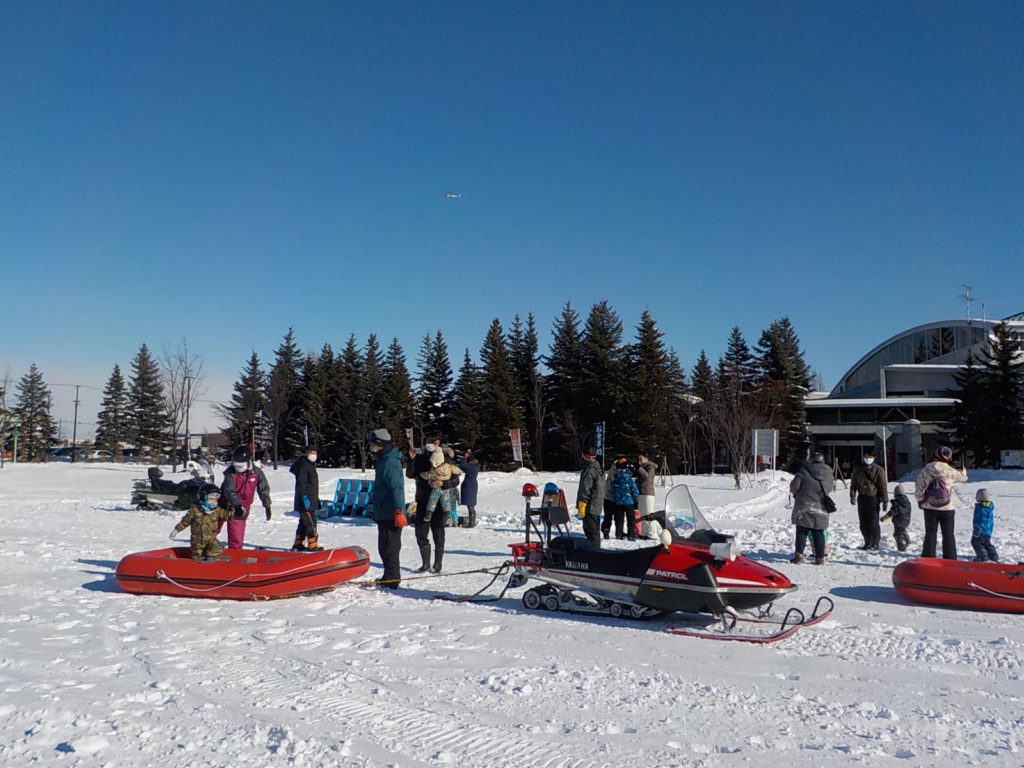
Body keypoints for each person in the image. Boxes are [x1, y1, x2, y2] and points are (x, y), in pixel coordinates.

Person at [406, 433, 460, 574]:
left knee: (438, 532)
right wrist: (411, 460)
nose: (427, 445)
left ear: (437, 443)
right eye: (425, 442)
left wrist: (443, 483)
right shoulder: (421, 457)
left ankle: (438, 564)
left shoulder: (446, 458)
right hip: (423, 500)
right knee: (421, 532)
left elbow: (456, 480)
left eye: (430, 442)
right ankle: (425, 564)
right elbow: (410, 474)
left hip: (440, 502)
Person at [367, 429, 407, 588]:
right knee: (384, 547)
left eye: (373, 444)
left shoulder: (390, 462)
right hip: (383, 511)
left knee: (390, 548)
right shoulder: (384, 460)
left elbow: (397, 488)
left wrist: (399, 511)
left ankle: (392, 580)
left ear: (380, 444)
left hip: (391, 513)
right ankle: (387, 576)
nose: (371, 447)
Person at [914, 445, 968, 560]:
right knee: (948, 535)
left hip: (930, 507)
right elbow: (963, 478)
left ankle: (928, 558)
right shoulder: (949, 469)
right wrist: (960, 467)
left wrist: (920, 499)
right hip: (947, 507)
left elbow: (920, 485)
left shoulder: (928, 468)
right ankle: (950, 558)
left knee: (930, 534)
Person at [219, 445, 272, 549]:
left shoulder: (256, 473)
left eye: (241, 465)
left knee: (236, 539)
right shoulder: (230, 473)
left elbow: (263, 488)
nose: (238, 468)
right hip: (223, 506)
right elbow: (229, 491)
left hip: (241, 511)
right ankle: (204, 550)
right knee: (211, 531)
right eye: (236, 465)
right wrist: (237, 505)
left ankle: (235, 559)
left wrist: (267, 505)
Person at [170, 485, 240, 561]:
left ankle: (212, 561)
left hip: (211, 539)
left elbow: (226, 515)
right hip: (197, 540)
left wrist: (235, 510)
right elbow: (185, 522)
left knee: (217, 549)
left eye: (215, 500)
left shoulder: (217, 510)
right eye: (211, 499)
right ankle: (198, 564)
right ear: (203, 498)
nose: (213, 502)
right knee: (196, 556)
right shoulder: (195, 510)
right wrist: (176, 530)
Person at [789, 452, 835, 564]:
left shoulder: (804, 471)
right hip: (821, 506)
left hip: (804, 506)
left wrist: (798, 494)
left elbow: (794, 486)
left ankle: (799, 556)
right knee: (819, 532)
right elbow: (829, 488)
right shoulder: (829, 473)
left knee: (802, 531)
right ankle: (820, 558)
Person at [419, 443, 462, 541]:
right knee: (447, 503)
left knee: (435, 500)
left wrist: (442, 483)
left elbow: (455, 481)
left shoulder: (443, 463)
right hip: (445, 491)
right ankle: (449, 516)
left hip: (444, 489)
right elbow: (457, 471)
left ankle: (435, 514)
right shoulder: (446, 465)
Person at [849, 448, 888, 550]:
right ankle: (867, 542)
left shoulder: (879, 470)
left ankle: (875, 543)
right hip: (862, 497)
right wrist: (852, 495)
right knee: (863, 522)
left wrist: (885, 500)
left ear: (874, 458)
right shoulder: (858, 469)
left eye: (869, 457)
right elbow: (853, 484)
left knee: (873, 522)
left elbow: (883, 486)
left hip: (873, 498)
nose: (867, 459)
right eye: (866, 457)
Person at [289, 445, 322, 552]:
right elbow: (301, 483)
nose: (314, 455)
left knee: (303, 522)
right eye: (312, 453)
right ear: (306, 453)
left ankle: (298, 543)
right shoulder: (304, 465)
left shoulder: (310, 464)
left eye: (315, 453)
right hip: (305, 499)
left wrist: (315, 499)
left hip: (311, 498)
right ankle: (312, 544)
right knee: (310, 522)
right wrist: (304, 497)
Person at [575, 446, 606, 547]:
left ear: (584, 456)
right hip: (596, 504)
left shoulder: (590, 469)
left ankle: (594, 552)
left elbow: (585, 487)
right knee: (593, 529)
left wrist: (582, 503)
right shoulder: (598, 467)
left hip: (590, 504)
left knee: (591, 530)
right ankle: (595, 549)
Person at [608, 456, 640, 540]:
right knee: (631, 519)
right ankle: (631, 535)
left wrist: (614, 499)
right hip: (629, 502)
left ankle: (619, 534)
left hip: (618, 502)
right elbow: (634, 490)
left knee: (619, 519)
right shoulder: (629, 479)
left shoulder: (616, 478)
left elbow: (612, 490)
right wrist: (636, 501)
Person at [881, 483, 913, 551]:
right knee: (902, 530)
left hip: (898, 521)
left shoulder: (896, 503)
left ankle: (901, 546)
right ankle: (907, 541)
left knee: (897, 534)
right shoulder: (907, 502)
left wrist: (884, 518)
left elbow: (891, 513)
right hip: (906, 521)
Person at [970, 488, 999, 562]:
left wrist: (977, 529)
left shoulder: (980, 508)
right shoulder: (989, 507)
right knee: (987, 543)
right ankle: (993, 556)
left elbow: (979, 519)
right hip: (988, 530)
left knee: (976, 543)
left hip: (980, 530)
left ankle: (983, 557)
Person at [636, 453, 658, 539]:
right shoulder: (642, 468)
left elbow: (647, 477)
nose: (639, 461)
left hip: (648, 493)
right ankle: (645, 533)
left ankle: (652, 533)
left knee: (649, 514)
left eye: (641, 459)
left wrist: (640, 469)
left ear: (646, 458)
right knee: (643, 515)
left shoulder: (650, 467)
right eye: (639, 459)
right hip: (641, 493)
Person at [457, 449, 480, 527]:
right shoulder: (476, 467)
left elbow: (462, 465)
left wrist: (464, 457)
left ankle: (471, 523)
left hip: (469, 486)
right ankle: (472, 522)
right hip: (473, 485)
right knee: (471, 505)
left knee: (470, 505)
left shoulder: (470, 467)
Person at [600, 461, 618, 540]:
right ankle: (607, 531)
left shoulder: (611, 472)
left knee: (608, 517)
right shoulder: (615, 472)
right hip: (611, 498)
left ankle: (606, 530)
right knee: (612, 517)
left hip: (608, 498)